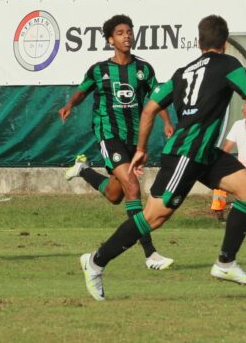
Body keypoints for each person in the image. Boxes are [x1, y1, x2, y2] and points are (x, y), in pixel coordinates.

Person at [79, 15, 246, 300]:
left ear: (199, 43)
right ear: (225, 41)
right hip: (186, 153)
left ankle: (225, 262)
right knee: (154, 217)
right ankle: (95, 262)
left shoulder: (182, 72)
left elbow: (149, 110)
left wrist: (141, 148)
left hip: (204, 153)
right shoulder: (228, 64)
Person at [58, 14, 175, 271]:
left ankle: (83, 170)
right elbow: (82, 90)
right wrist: (69, 104)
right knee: (133, 188)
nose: (127, 36)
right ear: (111, 40)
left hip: (133, 140)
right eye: (121, 33)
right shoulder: (99, 70)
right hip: (108, 134)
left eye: (129, 32)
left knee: (115, 194)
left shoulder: (144, 69)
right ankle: (150, 253)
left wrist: (167, 122)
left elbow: (158, 97)